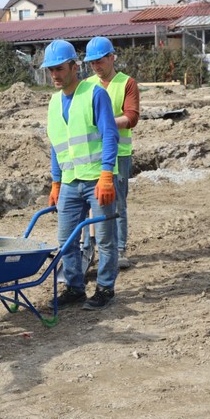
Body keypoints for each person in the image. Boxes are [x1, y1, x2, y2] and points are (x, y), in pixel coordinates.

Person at [43, 39, 120, 310]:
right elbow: (57, 144)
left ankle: (105, 289)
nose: (54, 75)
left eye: (59, 68)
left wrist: (107, 175)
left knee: (105, 237)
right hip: (69, 182)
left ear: (74, 67)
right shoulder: (53, 103)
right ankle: (74, 287)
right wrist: (55, 182)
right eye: (50, 70)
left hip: (97, 179)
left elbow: (110, 136)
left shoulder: (94, 94)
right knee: (66, 240)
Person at [83, 37, 140, 269]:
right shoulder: (86, 85)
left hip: (120, 152)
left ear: (111, 57)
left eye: (100, 61)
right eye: (92, 63)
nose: (96, 66)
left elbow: (132, 117)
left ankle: (119, 249)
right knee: (89, 203)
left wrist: (106, 122)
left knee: (117, 203)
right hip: (93, 153)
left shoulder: (126, 83)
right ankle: (87, 249)